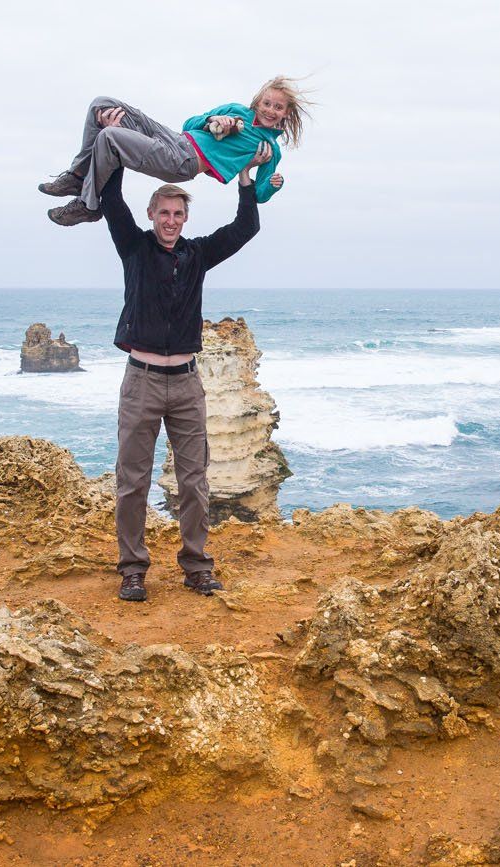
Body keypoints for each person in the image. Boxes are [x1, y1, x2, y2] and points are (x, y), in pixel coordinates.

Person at [101, 147, 264, 602]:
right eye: (164, 213)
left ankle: (196, 566)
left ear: (185, 218)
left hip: (188, 383)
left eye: (178, 214)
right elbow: (111, 202)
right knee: (132, 481)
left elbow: (245, 228)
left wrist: (247, 179)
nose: (171, 220)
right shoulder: (133, 247)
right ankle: (132, 568)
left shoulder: (197, 255)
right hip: (142, 381)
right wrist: (115, 153)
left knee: (195, 480)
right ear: (151, 214)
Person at [39, 76, 309, 226]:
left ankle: (89, 205)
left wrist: (273, 185)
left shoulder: (268, 148)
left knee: (110, 137)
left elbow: (259, 194)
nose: (270, 110)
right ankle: (77, 176)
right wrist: (212, 122)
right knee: (101, 104)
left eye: (278, 107)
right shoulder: (236, 110)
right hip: (177, 139)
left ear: (287, 113)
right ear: (258, 101)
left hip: (184, 162)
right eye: (267, 103)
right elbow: (189, 124)